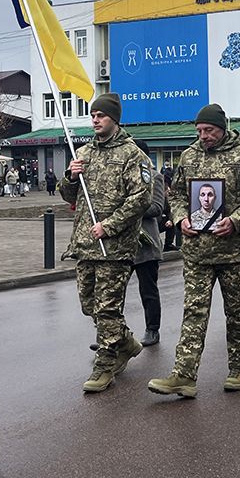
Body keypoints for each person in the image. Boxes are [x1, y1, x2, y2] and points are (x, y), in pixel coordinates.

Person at [148, 103, 240, 398]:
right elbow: (175, 194)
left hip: (234, 254)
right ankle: (184, 376)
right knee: (194, 314)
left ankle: (239, 368)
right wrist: (180, 219)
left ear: (223, 128)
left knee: (237, 314)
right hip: (197, 253)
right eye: (200, 130)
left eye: (209, 130)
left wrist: (237, 220)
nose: (204, 136)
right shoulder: (189, 156)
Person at [58, 93, 153, 393]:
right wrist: (71, 177)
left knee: (108, 309)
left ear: (114, 118)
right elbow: (68, 196)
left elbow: (141, 199)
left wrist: (110, 226)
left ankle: (106, 364)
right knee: (90, 306)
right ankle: (126, 342)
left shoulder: (132, 155)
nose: (95, 120)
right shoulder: (83, 153)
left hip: (115, 247)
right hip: (86, 245)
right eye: (93, 115)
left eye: (101, 115)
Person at [132, 139, 165, 347]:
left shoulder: (155, 177)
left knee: (148, 290)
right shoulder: (122, 177)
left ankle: (152, 330)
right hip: (121, 243)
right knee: (111, 293)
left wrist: (130, 207)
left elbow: (157, 208)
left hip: (145, 244)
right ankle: (113, 336)